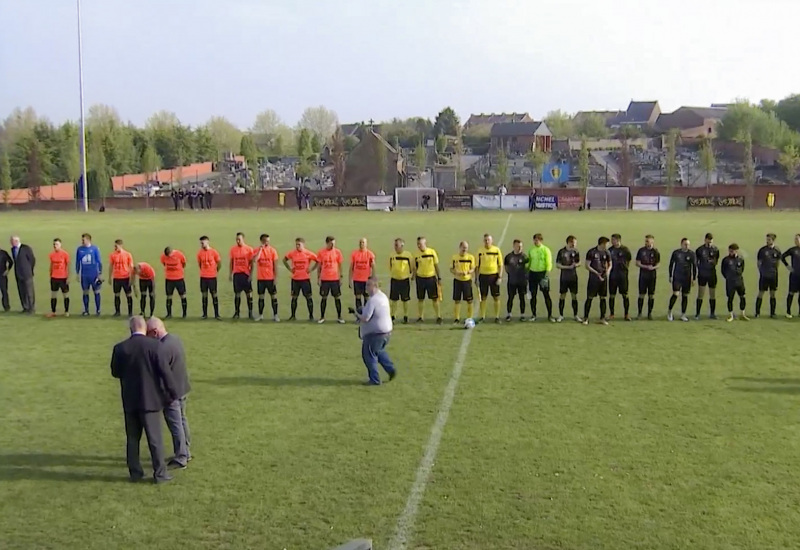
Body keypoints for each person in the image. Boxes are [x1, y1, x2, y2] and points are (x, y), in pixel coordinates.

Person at [110, 315, 177, 484]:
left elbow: (115, 372)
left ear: (131, 329)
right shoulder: (155, 346)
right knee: (155, 439)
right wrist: (172, 393)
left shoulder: (120, 348)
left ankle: (135, 472)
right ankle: (160, 473)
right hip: (151, 400)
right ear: (145, 328)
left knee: (132, 438)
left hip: (130, 400)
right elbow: (165, 373)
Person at [146, 317, 192, 469]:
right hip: (182, 387)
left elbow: (162, 373)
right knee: (182, 420)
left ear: (155, 332)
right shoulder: (175, 339)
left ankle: (181, 456)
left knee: (175, 424)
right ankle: (186, 450)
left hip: (171, 392)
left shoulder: (162, 349)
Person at [354, 277, 396, 386]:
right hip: (386, 333)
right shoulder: (382, 297)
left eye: (369, 285)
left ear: (375, 286)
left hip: (375, 334)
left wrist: (356, 314)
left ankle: (375, 379)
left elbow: (366, 318)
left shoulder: (373, 300)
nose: (366, 287)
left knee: (368, 355)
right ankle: (391, 369)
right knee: (379, 351)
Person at [283, 237, 318, 321]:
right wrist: (290, 269)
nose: (297, 246)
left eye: (299, 245)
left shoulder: (308, 253)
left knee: (308, 298)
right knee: (294, 298)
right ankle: (293, 316)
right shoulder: (292, 253)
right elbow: (284, 260)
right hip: (295, 279)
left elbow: (318, 260)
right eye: (296, 244)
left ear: (303, 245)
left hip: (305, 279)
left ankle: (311, 316)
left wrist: (311, 269)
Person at [582, 236, 612, 325]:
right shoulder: (591, 252)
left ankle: (602, 318)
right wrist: (596, 273)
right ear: (602, 243)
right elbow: (587, 265)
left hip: (603, 278)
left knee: (603, 298)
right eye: (607, 243)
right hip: (593, 279)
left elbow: (610, 264)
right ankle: (586, 318)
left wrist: (608, 271)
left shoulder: (607, 252)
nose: (608, 245)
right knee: (590, 298)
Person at [413, 236, 442, 324]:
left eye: (420, 244)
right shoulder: (415, 254)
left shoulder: (432, 252)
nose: (419, 246)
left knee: (434, 298)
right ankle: (420, 317)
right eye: (418, 244)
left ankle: (438, 316)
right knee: (420, 298)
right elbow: (415, 267)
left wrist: (439, 277)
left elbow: (436, 265)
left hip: (431, 278)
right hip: (420, 278)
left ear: (425, 244)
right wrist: (413, 276)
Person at [317, 236, 345, 324]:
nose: (333, 245)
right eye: (331, 243)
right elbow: (319, 266)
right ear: (327, 243)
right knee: (324, 297)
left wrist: (341, 277)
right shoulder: (321, 252)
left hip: (335, 279)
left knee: (337, 297)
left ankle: (339, 317)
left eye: (334, 243)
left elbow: (340, 265)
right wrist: (318, 278)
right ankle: (322, 317)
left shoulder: (337, 252)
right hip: (325, 279)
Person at [526, 233, 554, 322]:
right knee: (533, 295)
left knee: (546, 295)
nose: (535, 241)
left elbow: (549, 263)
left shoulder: (546, 250)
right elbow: (529, 262)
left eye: (537, 240)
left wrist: (546, 275)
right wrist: (526, 271)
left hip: (542, 275)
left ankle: (550, 315)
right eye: (534, 240)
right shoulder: (531, 250)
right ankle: (533, 314)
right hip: (533, 274)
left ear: (541, 240)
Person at [668, 238, 697, 322]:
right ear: (681, 244)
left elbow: (694, 267)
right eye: (685, 244)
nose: (687, 246)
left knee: (685, 296)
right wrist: (670, 275)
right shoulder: (676, 253)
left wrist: (694, 278)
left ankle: (683, 314)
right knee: (675, 294)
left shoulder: (692, 254)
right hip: (677, 277)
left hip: (687, 277)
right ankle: (669, 311)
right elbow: (671, 264)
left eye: (688, 244)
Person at [476, 233, 503, 323]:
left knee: (496, 297)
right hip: (483, 276)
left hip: (494, 276)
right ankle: (482, 317)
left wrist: (499, 276)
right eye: (485, 240)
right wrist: (476, 278)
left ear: (492, 241)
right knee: (483, 297)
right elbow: (477, 265)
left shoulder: (496, 250)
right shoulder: (480, 251)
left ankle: (497, 317)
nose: (487, 242)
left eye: (488, 240)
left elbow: (500, 264)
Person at [252, 234, 279, 322]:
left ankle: (275, 315)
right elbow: (255, 260)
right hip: (261, 278)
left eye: (268, 241)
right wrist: (260, 250)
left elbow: (275, 265)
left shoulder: (272, 251)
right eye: (266, 241)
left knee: (273, 297)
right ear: (262, 241)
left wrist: (275, 277)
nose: (267, 242)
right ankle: (260, 315)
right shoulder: (256, 250)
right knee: (261, 297)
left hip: (270, 278)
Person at [229, 232, 255, 320]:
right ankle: (237, 313)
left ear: (243, 239)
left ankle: (250, 313)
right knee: (237, 294)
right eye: (236, 239)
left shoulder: (249, 249)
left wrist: (251, 275)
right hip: (237, 274)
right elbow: (231, 262)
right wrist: (230, 273)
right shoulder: (233, 249)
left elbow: (252, 263)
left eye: (239, 239)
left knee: (249, 294)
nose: (238, 241)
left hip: (245, 274)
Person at [555, 235, 581, 323]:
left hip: (573, 277)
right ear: (569, 242)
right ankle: (561, 315)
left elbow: (579, 262)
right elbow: (557, 265)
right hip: (564, 278)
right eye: (573, 243)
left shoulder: (576, 252)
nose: (575, 244)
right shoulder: (561, 252)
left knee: (574, 296)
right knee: (563, 295)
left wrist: (576, 265)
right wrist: (567, 267)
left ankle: (575, 315)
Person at [635, 234, 661, 320]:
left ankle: (649, 313)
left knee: (651, 295)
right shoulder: (641, 251)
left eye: (648, 241)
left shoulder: (656, 252)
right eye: (646, 241)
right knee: (641, 294)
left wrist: (653, 267)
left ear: (652, 242)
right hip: (643, 276)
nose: (646, 243)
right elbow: (637, 263)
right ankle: (639, 313)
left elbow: (658, 264)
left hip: (652, 276)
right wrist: (645, 267)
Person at [76, 233, 103, 316]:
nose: (82, 241)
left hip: (94, 274)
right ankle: (86, 310)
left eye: (83, 240)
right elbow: (77, 262)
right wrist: (77, 273)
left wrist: (100, 273)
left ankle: (98, 310)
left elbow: (99, 262)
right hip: (84, 275)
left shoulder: (94, 249)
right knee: (85, 292)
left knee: (96, 292)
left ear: (88, 240)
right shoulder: (79, 249)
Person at [755, 233, 781, 318]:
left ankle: (772, 313)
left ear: (773, 240)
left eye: (769, 239)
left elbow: (778, 262)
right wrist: (762, 272)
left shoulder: (777, 250)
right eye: (767, 239)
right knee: (761, 293)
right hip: (764, 276)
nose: (767, 241)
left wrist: (774, 270)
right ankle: (757, 313)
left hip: (773, 276)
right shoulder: (762, 250)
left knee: (772, 294)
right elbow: (759, 263)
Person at [608, 233, 632, 321]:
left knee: (625, 295)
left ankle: (626, 314)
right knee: (612, 295)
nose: (611, 241)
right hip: (613, 275)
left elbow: (629, 259)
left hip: (623, 276)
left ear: (618, 240)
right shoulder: (610, 250)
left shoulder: (625, 250)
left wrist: (624, 268)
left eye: (613, 240)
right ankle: (611, 314)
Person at [450, 241, 476, 323]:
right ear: (460, 247)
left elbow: (473, 268)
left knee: (469, 300)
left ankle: (470, 317)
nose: (465, 249)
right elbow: (451, 268)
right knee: (457, 300)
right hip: (457, 281)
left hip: (467, 281)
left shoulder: (470, 257)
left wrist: (468, 272)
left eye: (466, 247)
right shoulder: (455, 257)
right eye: (463, 247)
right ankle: (456, 318)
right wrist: (456, 272)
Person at [695, 233, 719, 319]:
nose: (709, 244)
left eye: (711, 242)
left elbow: (716, 261)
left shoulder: (715, 249)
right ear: (705, 240)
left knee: (712, 294)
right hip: (702, 275)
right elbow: (696, 262)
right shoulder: (699, 250)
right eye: (708, 242)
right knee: (700, 294)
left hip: (712, 274)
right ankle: (697, 314)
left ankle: (712, 314)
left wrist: (712, 262)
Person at [388, 238, 413, 324]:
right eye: (394, 245)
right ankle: (393, 315)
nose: (395, 247)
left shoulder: (408, 255)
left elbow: (412, 267)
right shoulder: (392, 255)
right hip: (395, 280)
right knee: (393, 299)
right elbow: (390, 266)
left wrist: (410, 275)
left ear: (402, 245)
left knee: (405, 299)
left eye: (397, 245)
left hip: (404, 280)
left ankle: (405, 316)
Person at [721, 244, 748, 322]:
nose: (730, 252)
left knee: (742, 297)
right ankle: (731, 315)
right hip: (730, 282)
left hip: (739, 281)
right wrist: (728, 277)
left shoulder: (741, 259)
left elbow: (742, 268)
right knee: (730, 298)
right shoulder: (726, 260)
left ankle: (742, 314)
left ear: (736, 251)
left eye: (732, 251)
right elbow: (723, 271)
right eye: (730, 251)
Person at [198, 236, 222, 320]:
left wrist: (215, 271)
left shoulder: (214, 252)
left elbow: (219, 263)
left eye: (203, 242)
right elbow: (200, 264)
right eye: (200, 243)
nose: (201, 244)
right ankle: (204, 314)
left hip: (212, 277)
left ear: (207, 242)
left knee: (214, 295)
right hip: (203, 277)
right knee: (204, 295)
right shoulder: (200, 253)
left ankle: (216, 314)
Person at [10, 235, 35, 314]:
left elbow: (32, 259)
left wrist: (29, 269)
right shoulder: (13, 249)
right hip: (18, 274)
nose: (11, 243)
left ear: (16, 241)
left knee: (29, 292)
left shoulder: (26, 248)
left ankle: (31, 308)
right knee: (21, 291)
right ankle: (25, 307)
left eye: (12, 241)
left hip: (27, 274)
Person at [504, 239, 528, 321]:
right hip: (512, 281)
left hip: (522, 281)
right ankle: (509, 314)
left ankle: (522, 314)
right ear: (514, 246)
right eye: (518, 246)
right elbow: (506, 267)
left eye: (521, 246)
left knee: (522, 298)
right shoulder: (509, 257)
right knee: (510, 297)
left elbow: (527, 268)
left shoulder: (525, 257)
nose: (520, 248)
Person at [160, 247, 187, 319]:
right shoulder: (163, 257)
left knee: (183, 296)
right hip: (169, 279)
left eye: (169, 255)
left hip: (179, 278)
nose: (168, 257)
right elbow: (163, 263)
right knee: (169, 296)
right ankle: (169, 314)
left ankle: (184, 314)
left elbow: (184, 263)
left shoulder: (179, 255)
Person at [110, 239, 135, 317]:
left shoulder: (127, 254)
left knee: (128, 295)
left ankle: (130, 312)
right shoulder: (112, 255)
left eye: (116, 246)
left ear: (120, 245)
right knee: (117, 295)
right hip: (116, 277)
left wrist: (131, 277)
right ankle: (117, 312)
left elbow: (131, 266)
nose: (115, 247)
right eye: (114, 246)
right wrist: (109, 277)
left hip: (125, 277)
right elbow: (111, 266)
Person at [349, 238, 375, 311]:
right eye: (360, 242)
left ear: (366, 244)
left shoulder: (370, 254)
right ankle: (359, 315)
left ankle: (366, 314)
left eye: (363, 242)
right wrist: (350, 279)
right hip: (357, 280)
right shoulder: (354, 254)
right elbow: (351, 268)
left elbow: (373, 267)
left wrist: (373, 278)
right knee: (358, 297)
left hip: (366, 280)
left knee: (367, 297)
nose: (361, 244)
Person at [47, 238, 70, 317]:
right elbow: (51, 265)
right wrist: (50, 274)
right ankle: (53, 311)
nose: (55, 246)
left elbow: (68, 266)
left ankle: (66, 311)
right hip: (54, 277)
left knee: (65, 295)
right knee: (53, 295)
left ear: (60, 245)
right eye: (54, 244)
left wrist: (68, 277)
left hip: (63, 278)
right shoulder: (51, 254)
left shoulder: (65, 254)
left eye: (56, 244)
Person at [781, 234, 800, 318]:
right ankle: (788, 311)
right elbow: (782, 257)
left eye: (797, 239)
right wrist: (788, 266)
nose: (795, 240)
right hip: (794, 276)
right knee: (791, 293)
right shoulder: (793, 250)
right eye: (795, 239)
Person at [0, 245, 11, 312]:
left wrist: (8, 270)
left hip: (2, 275)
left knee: (4, 291)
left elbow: (11, 262)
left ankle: (6, 307)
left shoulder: (3, 253)